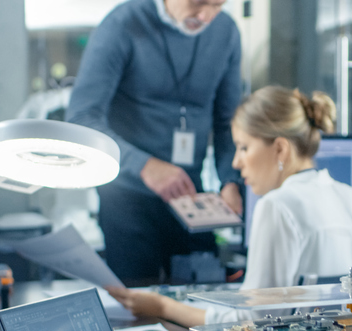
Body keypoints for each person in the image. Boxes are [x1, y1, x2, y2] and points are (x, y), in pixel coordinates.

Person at [108, 86, 352, 326]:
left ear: (280, 149)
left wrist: (162, 307)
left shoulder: (277, 206)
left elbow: (249, 323)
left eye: (243, 147)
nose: (236, 162)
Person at [66, 0, 242, 287]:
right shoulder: (122, 24)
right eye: (199, 3)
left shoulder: (226, 32)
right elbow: (81, 119)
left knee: (204, 300)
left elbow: (228, 123)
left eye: (218, 5)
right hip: (127, 193)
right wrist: (144, 165)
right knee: (138, 303)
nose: (206, 16)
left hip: (189, 193)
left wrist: (230, 181)